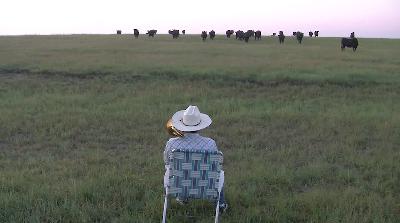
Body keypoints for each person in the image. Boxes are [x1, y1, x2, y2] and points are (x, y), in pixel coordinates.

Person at [164, 105, 228, 212]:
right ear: (200, 126)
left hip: (178, 185)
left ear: (182, 124)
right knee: (219, 173)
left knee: (176, 170)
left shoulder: (171, 143)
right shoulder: (210, 143)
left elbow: (166, 162)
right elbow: (214, 167)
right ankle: (221, 205)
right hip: (205, 186)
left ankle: (182, 197)